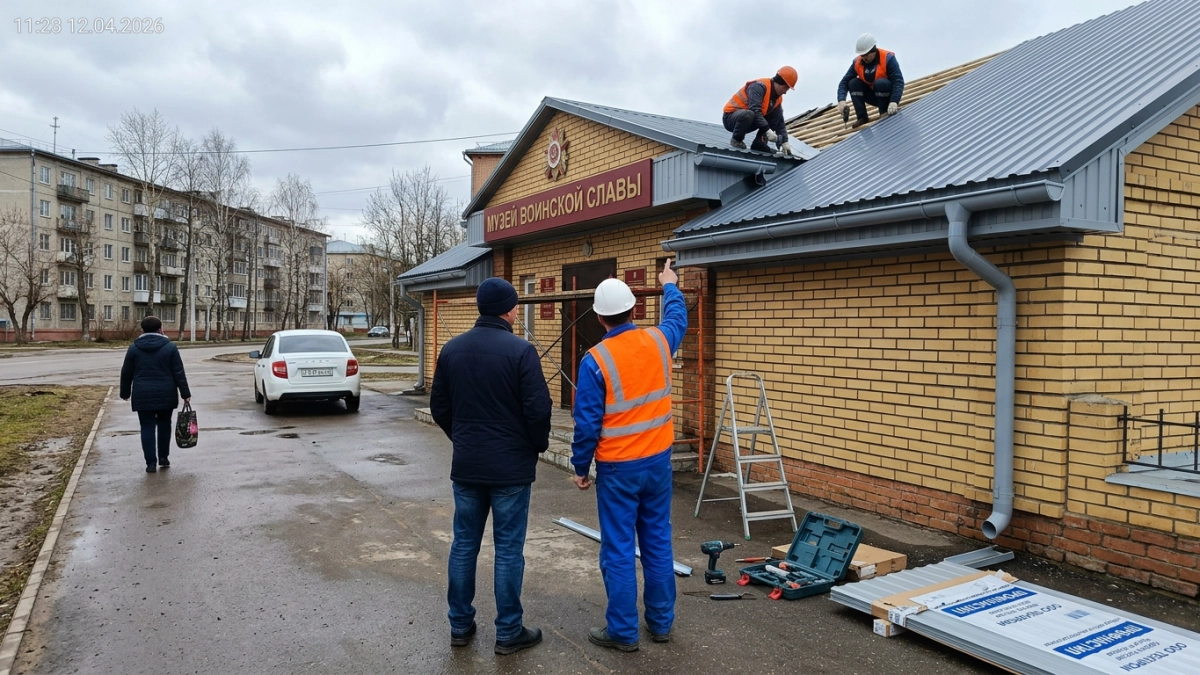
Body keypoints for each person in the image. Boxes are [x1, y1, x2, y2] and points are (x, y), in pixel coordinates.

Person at [430, 277, 552, 656]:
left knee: (464, 544)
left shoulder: (451, 350)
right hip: (511, 470)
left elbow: (440, 407)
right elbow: (539, 410)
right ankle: (508, 632)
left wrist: (463, 438)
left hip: (468, 465)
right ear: (510, 309)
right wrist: (533, 447)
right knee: (508, 550)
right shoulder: (521, 352)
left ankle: (460, 626)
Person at [571, 260, 687, 652]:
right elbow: (677, 317)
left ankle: (622, 632)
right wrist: (669, 284)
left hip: (618, 469)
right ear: (634, 309)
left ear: (600, 318)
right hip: (657, 463)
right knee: (657, 543)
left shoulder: (596, 360)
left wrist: (579, 467)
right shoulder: (658, 340)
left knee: (618, 549)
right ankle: (661, 625)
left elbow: (586, 423)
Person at [119, 315, 191, 474]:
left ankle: (151, 464)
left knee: (147, 427)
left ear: (142, 330)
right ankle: (164, 458)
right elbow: (178, 372)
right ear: (160, 329)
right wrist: (185, 393)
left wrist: (125, 393)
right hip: (166, 393)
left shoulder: (134, 348)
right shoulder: (170, 347)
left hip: (142, 394)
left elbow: (126, 373)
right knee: (165, 426)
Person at [723, 67, 798, 155]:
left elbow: (779, 121)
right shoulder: (759, 87)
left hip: (748, 121)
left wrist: (785, 141)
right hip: (731, 119)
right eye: (786, 88)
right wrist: (767, 130)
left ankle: (759, 144)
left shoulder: (777, 99)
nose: (785, 92)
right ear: (781, 83)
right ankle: (736, 140)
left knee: (775, 116)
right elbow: (755, 110)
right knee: (749, 114)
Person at [837, 33, 905, 128]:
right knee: (853, 83)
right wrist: (841, 100)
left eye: (867, 54)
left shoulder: (887, 58)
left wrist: (894, 101)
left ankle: (883, 112)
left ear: (873, 50)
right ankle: (862, 117)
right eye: (862, 55)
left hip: (887, 96)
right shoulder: (858, 62)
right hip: (873, 96)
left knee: (880, 83)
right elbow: (844, 82)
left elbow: (898, 81)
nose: (864, 57)